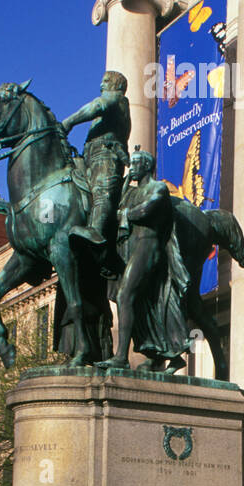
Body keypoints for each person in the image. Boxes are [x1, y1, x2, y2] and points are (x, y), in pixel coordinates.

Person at [97, 149, 190, 371]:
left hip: (149, 247)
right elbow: (116, 203)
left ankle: (121, 357)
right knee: (136, 302)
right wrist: (126, 181)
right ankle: (163, 352)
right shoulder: (131, 192)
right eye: (132, 164)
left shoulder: (157, 188)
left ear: (147, 166)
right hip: (131, 248)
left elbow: (145, 211)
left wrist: (125, 214)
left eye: (137, 164)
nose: (133, 168)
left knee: (125, 295)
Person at [60, 71, 131, 250]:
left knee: (102, 189)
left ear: (117, 85)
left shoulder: (117, 99)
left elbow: (98, 106)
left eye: (106, 81)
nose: (102, 85)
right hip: (90, 155)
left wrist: (68, 122)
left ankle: (96, 230)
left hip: (107, 154)